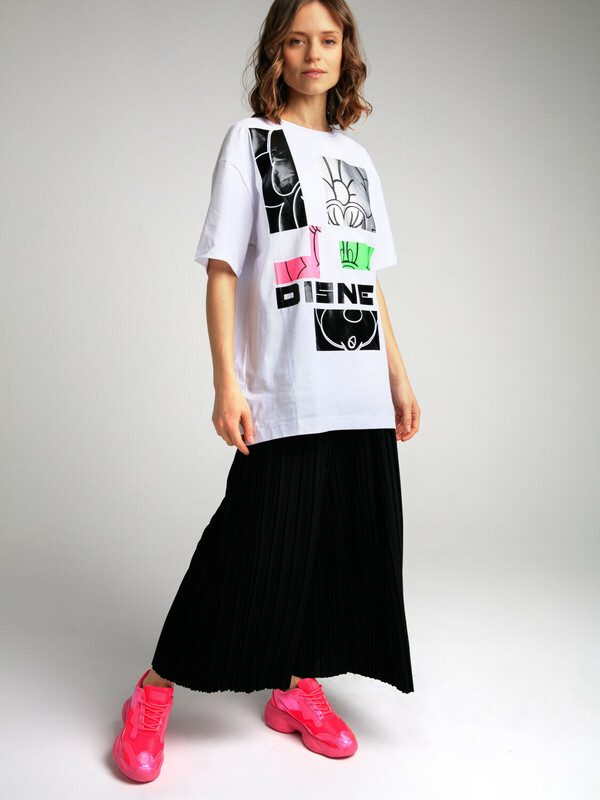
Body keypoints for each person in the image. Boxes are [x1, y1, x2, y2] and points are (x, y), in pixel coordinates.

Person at [112, 0, 420, 783]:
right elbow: (222, 268)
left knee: (335, 548)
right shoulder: (251, 142)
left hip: (358, 387)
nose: (314, 53)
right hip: (288, 387)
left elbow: (365, 277)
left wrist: (397, 373)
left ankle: (295, 687)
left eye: (328, 39)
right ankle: (153, 691)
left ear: (345, 53)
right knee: (249, 545)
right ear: (276, 53)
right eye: (297, 40)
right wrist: (227, 382)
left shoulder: (358, 160)